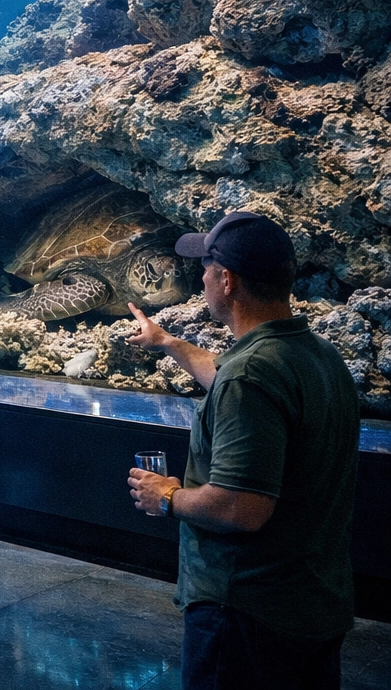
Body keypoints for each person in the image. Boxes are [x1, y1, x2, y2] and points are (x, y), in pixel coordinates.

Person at [126, 211, 358, 690]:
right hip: (313, 603)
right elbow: (228, 373)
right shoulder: (315, 355)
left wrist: (167, 496)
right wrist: (167, 341)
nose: (202, 276)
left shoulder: (250, 375)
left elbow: (242, 507)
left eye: (206, 267)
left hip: (246, 612)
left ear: (226, 280)